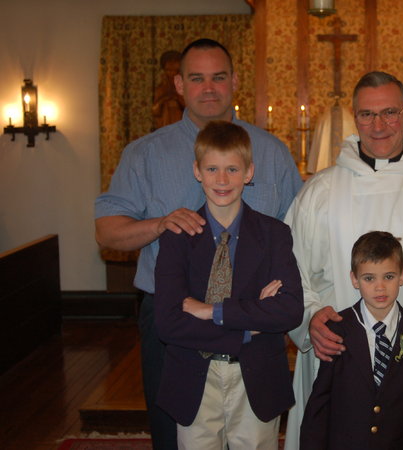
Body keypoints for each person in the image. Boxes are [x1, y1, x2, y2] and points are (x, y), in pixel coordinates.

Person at [94, 38, 303, 449]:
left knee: (254, 434)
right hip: (174, 317)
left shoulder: (272, 153)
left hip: (252, 316)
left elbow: (297, 234)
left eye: (219, 77)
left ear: (235, 81)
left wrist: (271, 314)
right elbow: (107, 232)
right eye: (196, 78)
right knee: (175, 434)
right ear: (178, 85)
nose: (209, 88)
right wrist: (160, 224)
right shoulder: (145, 153)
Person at [283, 71, 403, 449]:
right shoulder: (319, 192)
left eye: (389, 113)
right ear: (355, 117)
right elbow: (290, 270)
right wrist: (311, 318)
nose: (378, 125)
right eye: (367, 114)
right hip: (336, 355)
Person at [154, 121, 303, 449]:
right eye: (212, 169)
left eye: (232, 169)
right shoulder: (176, 237)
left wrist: (212, 312)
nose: (222, 180)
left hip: (256, 378)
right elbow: (167, 322)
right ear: (197, 171)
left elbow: (290, 310)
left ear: (248, 172)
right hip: (194, 376)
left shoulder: (274, 234)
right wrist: (250, 326)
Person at [300, 231, 403, 449]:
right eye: (369, 278)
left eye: (389, 277)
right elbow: (320, 404)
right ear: (354, 279)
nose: (380, 287)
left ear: (402, 276)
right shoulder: (336, 331)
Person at [152, 50, 184, 130]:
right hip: (164, 125)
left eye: (176, 70)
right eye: (169, 70)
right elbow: (155, 111)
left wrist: (177, 97)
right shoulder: (161, 88)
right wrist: (164, 98)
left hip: (181, 126)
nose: (172, 73)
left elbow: (190, 109)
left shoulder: (185, 88)